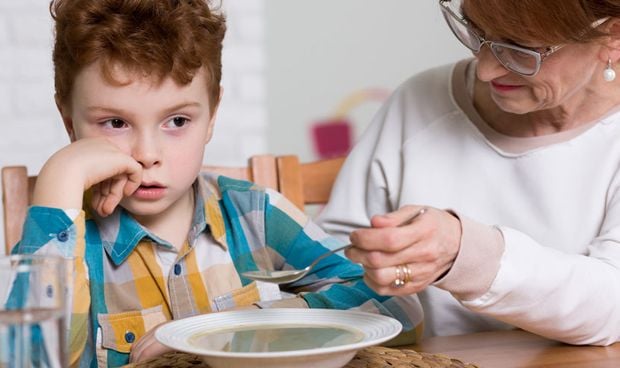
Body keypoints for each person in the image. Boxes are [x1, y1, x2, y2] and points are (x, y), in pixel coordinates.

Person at [11, 0, 423, 366]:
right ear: (69, 122)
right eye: (115, 123)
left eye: (177, 121)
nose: (147, 153)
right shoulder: (71, 240)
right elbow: (29, 358)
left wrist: (228, 329)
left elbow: (400, 305)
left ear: (213, 114)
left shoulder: (254, 215)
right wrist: (59, 181)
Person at [317, 0, 620, 346]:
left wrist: (464, 253)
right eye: (476, 31)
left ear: (613, 36)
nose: (485, 70)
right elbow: (333, 254)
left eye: (520, 47)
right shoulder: (420, 99)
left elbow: (613, 302)